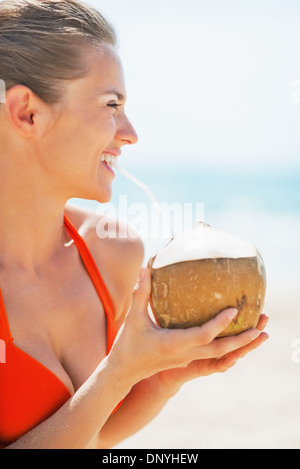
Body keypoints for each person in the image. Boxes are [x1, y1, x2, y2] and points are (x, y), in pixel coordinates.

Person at [0, 0, 269, 449]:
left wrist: (160, 377)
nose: (130, 132)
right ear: (27, 112)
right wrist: (118, 372)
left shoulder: (114, 253)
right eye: (111, 104)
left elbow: (94, 437)